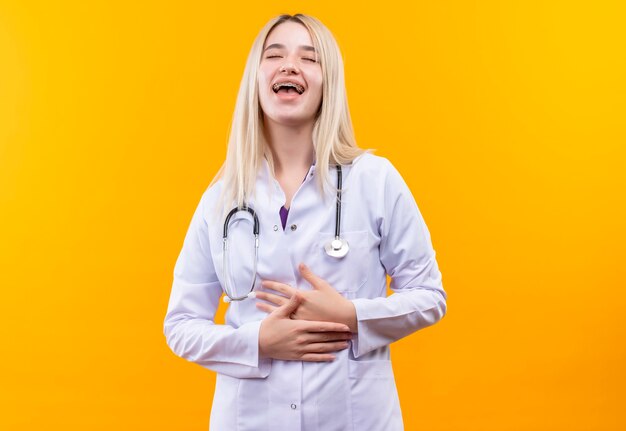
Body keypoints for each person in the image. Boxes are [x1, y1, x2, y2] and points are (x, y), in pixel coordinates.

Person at [163, 13, 447, 431]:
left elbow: (429, 296)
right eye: (274, 54)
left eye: (309, 58)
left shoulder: (375, 180)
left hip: (355, 419)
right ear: (256, 80)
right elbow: (181, 326)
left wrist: (353, 315)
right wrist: (257, 343)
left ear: (327, 83)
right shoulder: (222, 199)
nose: (289, 65)